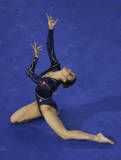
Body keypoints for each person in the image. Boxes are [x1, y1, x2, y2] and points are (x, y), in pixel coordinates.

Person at [10, 13, 114, 144]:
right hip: (38, 103)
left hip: (46, 107)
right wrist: (51, 29)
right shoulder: (55, 66)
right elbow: (50, 47)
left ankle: (97, 137)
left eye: (70, 75)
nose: (70, 71)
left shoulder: (48, 84)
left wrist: (36, 58)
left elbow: (29, 73)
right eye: (72, 72)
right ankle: (42, 115)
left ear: (65, 80)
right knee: (14, 120)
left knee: (64, 134)